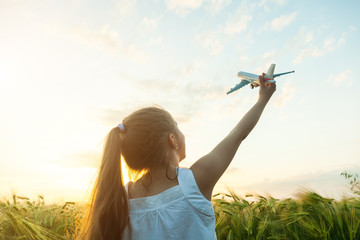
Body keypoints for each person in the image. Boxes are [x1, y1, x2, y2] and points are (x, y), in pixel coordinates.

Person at [77, 74, 276, 240]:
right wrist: (263, 99)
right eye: (178, 128)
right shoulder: (196, 181)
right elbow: (237, 135)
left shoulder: (122, 199)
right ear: (172, 139)